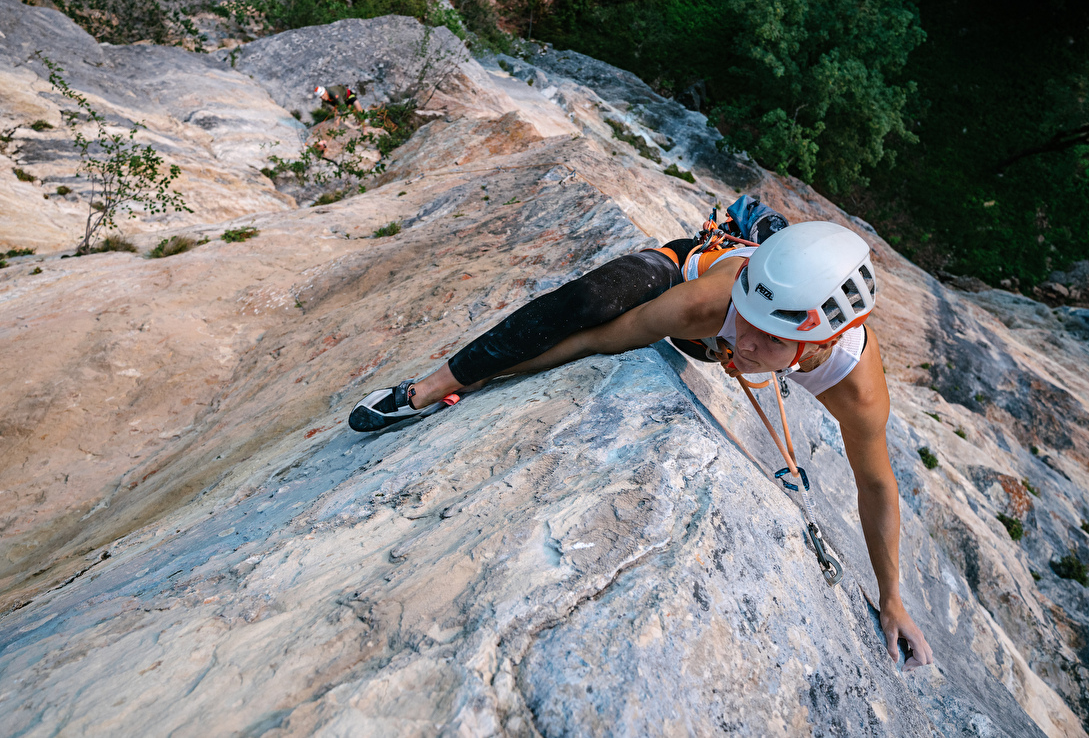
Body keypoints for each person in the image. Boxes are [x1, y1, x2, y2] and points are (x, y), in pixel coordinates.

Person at [348, 216, 935, 669]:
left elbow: (877, 483)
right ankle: (427, 387)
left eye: (771, 339)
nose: (750, 341)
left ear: (819, 343)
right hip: (693, 270)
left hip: (722, 327)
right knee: (585, 301)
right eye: (748, 323)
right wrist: (482, 377)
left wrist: (892, 598)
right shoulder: (716, 300)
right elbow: (599, 338)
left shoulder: (855, 386)